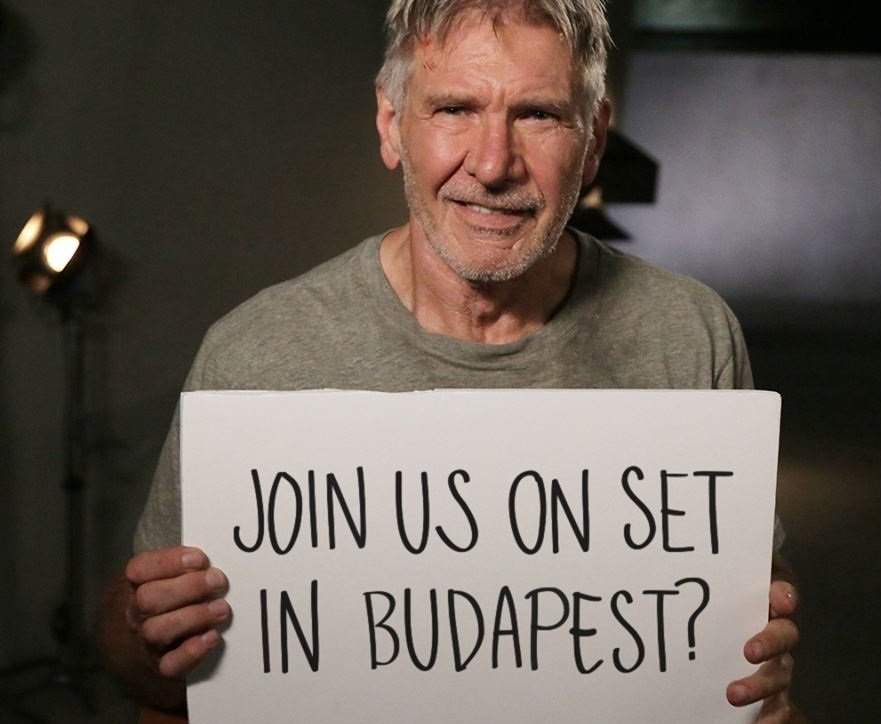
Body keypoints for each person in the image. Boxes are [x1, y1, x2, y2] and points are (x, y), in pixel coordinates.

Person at [99, 0, 799, 720]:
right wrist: (146, 632)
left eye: (538, 115)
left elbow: (741, 637)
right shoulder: (254, 356)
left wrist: (758, 681)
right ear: (390, 123)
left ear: (593, 141)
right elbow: (155, 681)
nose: (493, 165)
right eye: (455, 109)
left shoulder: (688, 334)